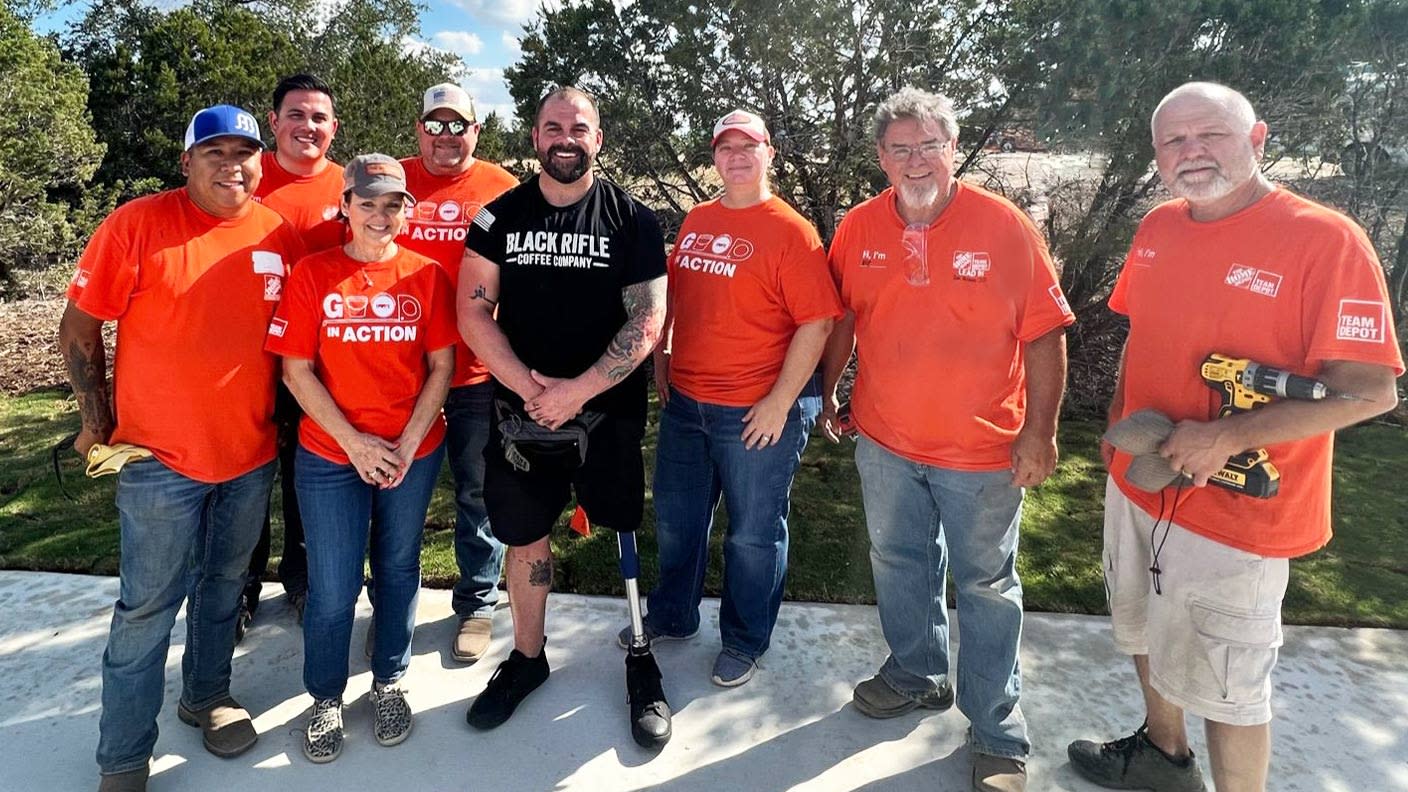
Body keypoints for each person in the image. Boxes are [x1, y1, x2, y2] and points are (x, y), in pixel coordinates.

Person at [1067, 82, 1402, 792]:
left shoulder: (1325, 240)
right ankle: (1162, 756)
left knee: (1230, 685)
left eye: (1210, 134)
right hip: (1141, 482)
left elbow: (1370, 391)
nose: (1191, 152)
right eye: (1173, 140)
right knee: (1140, 629)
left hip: (1238, 508)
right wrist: (1116, 423)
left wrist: (1228, 436)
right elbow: (1139, 332)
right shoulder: (1159, 227)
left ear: (1257, 139)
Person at [821, 86, 1075, 792]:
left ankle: (997, 733)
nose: (916, 161)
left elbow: (1046, 333)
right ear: (881, 158)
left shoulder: (1004, 227)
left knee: (988, 587)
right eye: (900, 149)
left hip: (983, 453)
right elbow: (843, 316)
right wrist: (830, 389)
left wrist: (1040, 433)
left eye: (930, 146)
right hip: (885, 441)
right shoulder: (859, 228)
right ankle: (916, 673)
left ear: (954, 149)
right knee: (898, 561)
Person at [58, 104, 305, 792]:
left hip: (249, 455)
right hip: (158, 461)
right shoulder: (136, 224)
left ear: (261, 162)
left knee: (223, 588)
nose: (232, 166)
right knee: (146, 612)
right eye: (215, 153)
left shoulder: (277, 234)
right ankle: (124, 758)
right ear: (187, 162)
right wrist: (95, 418)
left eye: (244, 153)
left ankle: (206, 696)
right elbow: (79, 328)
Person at [458, 86, 673, 748]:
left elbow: (648, 319)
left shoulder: (633, 221)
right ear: (535, 137)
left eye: (579, 128)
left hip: (605, 414)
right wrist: (530, 388)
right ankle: (528, 658)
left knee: (621, 523)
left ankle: (640, 653)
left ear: (597, 139)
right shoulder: (497, 217)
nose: (565, 138)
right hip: (520, 417)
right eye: (553, 127)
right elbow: (473, 310)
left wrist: (577, 392)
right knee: (524, 534)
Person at [623, 109, 841, 687]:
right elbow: (676, 297)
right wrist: (662, 359)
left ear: (770, 153)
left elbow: (817, 322)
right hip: (687, 406)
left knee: (752, 534)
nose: (737, 156)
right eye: (726, 147)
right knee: (678, 520)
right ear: (714, 158)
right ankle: (674, 615)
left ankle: (745, 640)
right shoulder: (698, 219)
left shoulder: (791, 231)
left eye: (749, 146)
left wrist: (779, 403)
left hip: (756, 411)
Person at [264, 154, 456, 762]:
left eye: (393, 204)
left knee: (398, 569)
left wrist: (405, 444)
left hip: (411, 452)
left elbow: (442, 366)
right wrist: (356, 443)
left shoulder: (426, 275)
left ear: (407, 211)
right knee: (334, 584)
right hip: (330, 455)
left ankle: (389, 681)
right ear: (344, 206)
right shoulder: (312, 273)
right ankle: (325, 696)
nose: (380, 214)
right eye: (367, 202)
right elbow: (295, 371)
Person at [398, 82, 519, 663]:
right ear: (419, 129)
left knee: (477, 492)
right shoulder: (390, 181)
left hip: (475, 373)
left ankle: (477, 602)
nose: (445, 136)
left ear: (476, 130)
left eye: (457, 125)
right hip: (397, 373)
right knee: (397, 495)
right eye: (434, 124)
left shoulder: (502, 188)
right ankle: (393, 608)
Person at [241, 72, 345, 635]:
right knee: (248, 480)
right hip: (249, 360)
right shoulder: (246, 179)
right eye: (296, 115)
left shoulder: (348, 187)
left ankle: (302, 579)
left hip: (322, 365)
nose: (308, 126)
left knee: (308, 477)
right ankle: (242, 586)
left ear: (334, 127)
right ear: (274, 121)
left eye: (319, 117)